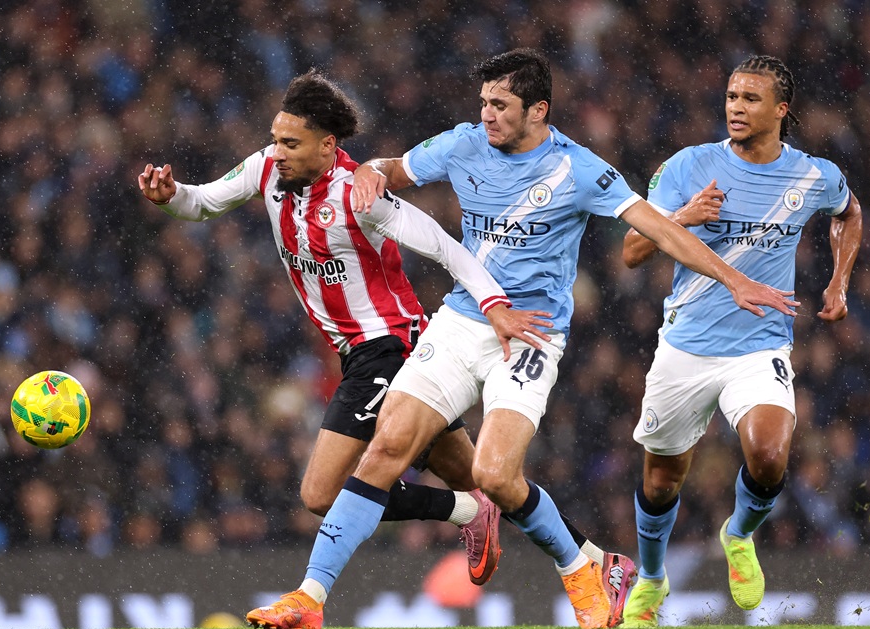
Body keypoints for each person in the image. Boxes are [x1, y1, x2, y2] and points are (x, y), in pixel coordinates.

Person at [246, 49, 798, 629]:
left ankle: (582, 567)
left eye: (500, 105)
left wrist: (735, 279)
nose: (486, 115)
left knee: (494, 476)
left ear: (538, 110)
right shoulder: (462, 143)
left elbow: (657, 228)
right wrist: (368, 169)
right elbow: (393, 167)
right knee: (387, 448)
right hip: (460, 321)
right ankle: (309, 598)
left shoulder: (580, 169)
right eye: (483, 102)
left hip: (530, 334)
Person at [138, 71, 556, 588]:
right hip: (360, 352)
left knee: (320, 493)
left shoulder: (360, 193)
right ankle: (585, 560)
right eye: (275, 139)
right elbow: (203, 202)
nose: (279, 151)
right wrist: (170, 193)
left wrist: (494, 305)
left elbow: (444, 245)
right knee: (485, 482)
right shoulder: (267, 169)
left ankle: (473, 519)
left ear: (327, 145)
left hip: (390, 346)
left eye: (291, 142)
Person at [617, 55, 862, 628]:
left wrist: (838, 279)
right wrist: (682, 216)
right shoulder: (689, 166)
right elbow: (631, 251)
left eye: (751, 99)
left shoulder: (812, 176)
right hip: (686, 347)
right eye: (731, 96)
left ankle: (739, 533)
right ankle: (652, 579)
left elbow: (849, 213)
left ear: (781, 110)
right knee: (660, 482)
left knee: (771, 454)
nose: (735, 107)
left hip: (760, 347)